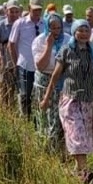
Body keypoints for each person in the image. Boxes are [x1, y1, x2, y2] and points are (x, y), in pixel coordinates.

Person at [39, 20, 93, 184]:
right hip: (71, 101)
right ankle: (85, 173)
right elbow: (55, 76)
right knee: (77, 134)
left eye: (86, 31)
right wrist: (46, 98)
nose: (84, 34)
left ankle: (78, 169)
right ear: (74, 32)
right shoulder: (67, 51)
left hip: (91, 101)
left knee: (85, 136)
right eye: (80, 30)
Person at [32, 11, 70, 151]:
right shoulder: (39, 40)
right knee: (45, 113)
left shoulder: (67, 40)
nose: (56, 31)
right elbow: (40, 65)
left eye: (59, 27)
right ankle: (44, 145)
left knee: (60, 114)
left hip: (62, 80)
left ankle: (59, 145)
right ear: (47, 27)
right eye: (53, 28)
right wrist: (49, 46)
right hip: (44, 80)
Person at [8, 0, 46, 118]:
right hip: (25, 65)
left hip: (41, 67)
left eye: (39, 10)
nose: (37, 12)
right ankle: (26, 121)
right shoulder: (20, 23)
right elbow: (11, 44)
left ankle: (38, 121)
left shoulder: (45, 24)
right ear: (29, 8)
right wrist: (16, 63)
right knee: (25, 95)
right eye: (35, 10)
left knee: (39, 95)